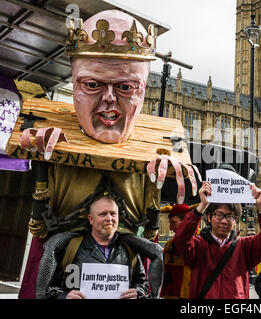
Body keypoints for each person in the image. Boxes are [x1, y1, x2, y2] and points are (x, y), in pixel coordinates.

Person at [13, 9, 199, 298]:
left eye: (125, 87)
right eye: (92, 84)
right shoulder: (54, 143)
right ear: (74, 85)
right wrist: (39, 155)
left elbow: (150, 238)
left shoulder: (159, 147)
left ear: (143, 88)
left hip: (122, 270)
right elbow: (42, 231)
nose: (109, 99)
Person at [173, 181, 261, 299]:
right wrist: (202, 206)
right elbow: (180, 238)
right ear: (209, 217)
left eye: (229, 216)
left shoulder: (244, 247)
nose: (224, 221)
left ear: (236, 220)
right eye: (219, 215)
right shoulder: (198, 246)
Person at [36, 195, 152, 299]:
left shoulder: (130, 250)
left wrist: (138, 292)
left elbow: (142, 282)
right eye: (103, 214)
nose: (109, 218)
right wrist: (64, 296)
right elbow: (48, 288)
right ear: (91, 219)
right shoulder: (69, 248)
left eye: (113, 214)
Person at [161, 204, 194, 299]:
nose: (170, 228)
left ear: (186, 222)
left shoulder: (201, 243)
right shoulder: (168, 245)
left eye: (173, 223)